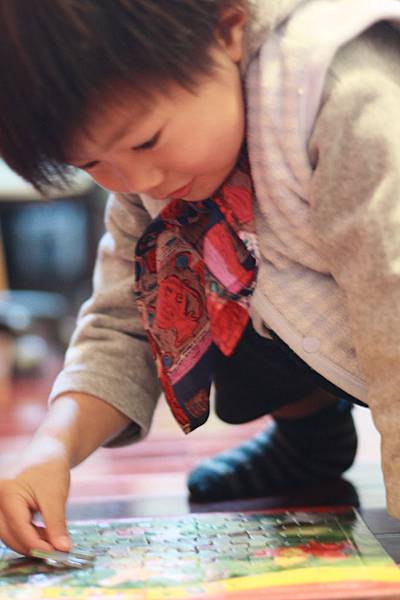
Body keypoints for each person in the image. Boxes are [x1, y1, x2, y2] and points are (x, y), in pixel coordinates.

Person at [0, 0, 400, 557]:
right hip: (326, 324)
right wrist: (52, 447)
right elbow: (123, 322)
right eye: (91, 164)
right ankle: (310, 437)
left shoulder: (337, 94)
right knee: (178, 268)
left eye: (146, 140)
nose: (138, 179)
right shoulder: (146, 173)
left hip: (386, 301)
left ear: (228, 33)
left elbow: (392, 306)